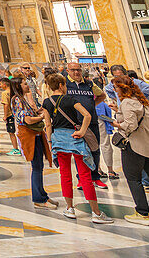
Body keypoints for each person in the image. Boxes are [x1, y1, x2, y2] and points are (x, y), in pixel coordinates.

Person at [42, 72, 112, 223]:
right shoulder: (70, 99)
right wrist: (81, 131)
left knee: (65, 175)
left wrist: (49, 141)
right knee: (85, 175)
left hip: (58, 140)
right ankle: (96, 212)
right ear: (61, 85)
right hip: (74, 138)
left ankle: (70, 208)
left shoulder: (47, 102)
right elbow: (87, 115)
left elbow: (48, 124)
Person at [111, 75, 149, 227]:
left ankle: (143, 213)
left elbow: (130, 125)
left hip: (134, 146)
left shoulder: (127, 103)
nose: (114, 90)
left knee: (134, 179)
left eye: (115, 87)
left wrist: (116, 124)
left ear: (121, 88)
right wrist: (118, 111)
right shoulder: (141, 102)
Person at [12, 75, 54, 210]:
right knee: (36, 167)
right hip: (29, 136)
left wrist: (38, 111)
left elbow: (30, 114)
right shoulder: (17, 100)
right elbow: (28, 120)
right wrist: (41, 117)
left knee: (39, 166)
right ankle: (38, 199)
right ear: (18, 86)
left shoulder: (23, 99)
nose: (27, 85)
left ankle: (42, 195)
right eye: (24, 84)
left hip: (36, 135)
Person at [65, 62, 107, 189]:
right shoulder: (66, 85)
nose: (76, 72)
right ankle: (82, 178)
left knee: (95, 149)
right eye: (73, 70)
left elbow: (101, 95)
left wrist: (91, 106)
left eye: (78, 70)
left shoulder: (89, 83)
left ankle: (95, 177)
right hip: (76, 123)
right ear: (68, 71)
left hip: (91, 121)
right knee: (79, 151)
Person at [0, 77, 21, 155]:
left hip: (10, 115)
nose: (0, 86)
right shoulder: (13, 91)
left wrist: (5, 115)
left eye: (0, 84)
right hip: (16, 114)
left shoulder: (4, 93)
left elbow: (6, 105)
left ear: (4, 84)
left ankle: (15, 149)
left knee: (11, 132)